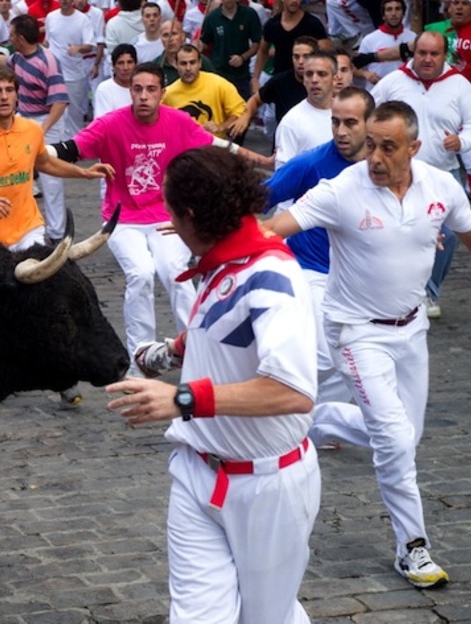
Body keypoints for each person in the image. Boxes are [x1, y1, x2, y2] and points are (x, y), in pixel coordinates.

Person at [266, 100, 471, 588]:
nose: (376, 157)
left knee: (407, 437)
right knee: (392, 440)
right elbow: (274, 228)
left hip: (411, 332)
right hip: (355, 332)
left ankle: (317, 416)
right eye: (371, 145)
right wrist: (212, 241)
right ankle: (413, 548)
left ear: (414, 147)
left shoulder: (440, 186)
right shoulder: (344, 189)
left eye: (389, 147)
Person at [106, 145, 320, 624]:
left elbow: (292, 390)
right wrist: (172, 351)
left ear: (189, 214)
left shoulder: (271, 276)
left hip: (270, 485)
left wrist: (183, 397)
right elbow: (225, 324)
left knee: (268, 619)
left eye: (169, 210)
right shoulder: (223, 263)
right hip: (197, 473)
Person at [47, 63, 272, 375]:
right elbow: (68, 149)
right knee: (140, 273)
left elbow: (221, 147)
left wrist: (262, 161)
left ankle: (199, 352)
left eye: (151, 89)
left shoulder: (178, 122)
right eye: (137, 89)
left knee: (176, 273)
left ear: (162, 93)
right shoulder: (111, 124)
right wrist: (29, 149)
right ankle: (141, 360)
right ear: (130, 92)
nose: (143, 96)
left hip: (167, 219)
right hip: (122, 220)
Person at [0, 65, 111, 409]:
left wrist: (83, 173)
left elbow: (43, 162)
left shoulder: (31, 130)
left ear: (17, 94)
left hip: (29, 229)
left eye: (9, 90)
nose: (4, 97)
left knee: (48, 303)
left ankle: (64, 379)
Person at [264, 87, 374, 451]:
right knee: (328, 353)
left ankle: (314, 422)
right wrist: (206, 217)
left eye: (351, 123)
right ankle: (293, 416)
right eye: (335, 122)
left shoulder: (384, 165)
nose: (341, 131)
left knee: (351, 355)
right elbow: (260, 197)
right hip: (312, 270)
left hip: (361, 278)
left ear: (370, 124)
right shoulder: (311, 164)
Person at [372, 30, 471, 319]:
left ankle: (429, 292)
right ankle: (395, 289)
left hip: (443, 174)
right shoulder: (394, 82)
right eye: (421, 53)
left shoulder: (459, 86)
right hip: (398, 177)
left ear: (444, 55)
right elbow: (369, 115)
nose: (426, 59)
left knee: (447, 234)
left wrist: (461, 141)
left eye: (434, 54)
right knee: (398, 233)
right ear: (413, 53)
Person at [0, 14, 69, 243]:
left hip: (46, 121)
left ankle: (57, 233)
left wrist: (43, 129)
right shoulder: (17, 58)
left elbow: (60, 101)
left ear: (22, 38)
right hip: (23, 119)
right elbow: (1, 62)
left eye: (13, 34)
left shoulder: (47, 60)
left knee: (51, 179)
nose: (10, 37)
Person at [228, 35, 317, 141]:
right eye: (296, 57)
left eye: (306, 56)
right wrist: (246, 116)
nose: (300, 61)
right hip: (284, 143)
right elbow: (256, 99)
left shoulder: (325, 83)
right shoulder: (280, 81)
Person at [161, 44, 245, 140]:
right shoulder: (168, 93)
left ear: (200, 63)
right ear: (176, 65)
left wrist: (221, 127)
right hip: (184, 150)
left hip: (215, 147)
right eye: (183, 63)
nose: (188, 68)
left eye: (192, 63)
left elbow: (241, 112)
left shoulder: (219, 84)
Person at [252, 0, 329, 96]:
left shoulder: (313, 24)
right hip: (279, 84)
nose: (294, 1)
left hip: (306, 85)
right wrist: (255, 79)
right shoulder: (272, 25)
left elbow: (326, 54)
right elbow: (263, 51)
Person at [275, 51, 335, 167]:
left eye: (322, 74)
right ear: (303, 80)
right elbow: (283, 174)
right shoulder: (291, 122)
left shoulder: (348, 115)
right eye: (309, 74)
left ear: (335, 78)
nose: (314, 80)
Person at [43, 0, 94, 136]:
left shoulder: (83, 20)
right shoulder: (51, 17)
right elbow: (48, 42)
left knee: (74, 114)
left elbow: (89, 45)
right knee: (55, 112)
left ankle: (77, 146)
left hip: (74, 75)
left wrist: (78, 48)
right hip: (53, 75)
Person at [199, 0, 261, 100]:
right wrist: (197, 45)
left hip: (241, 75)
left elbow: (257, 43)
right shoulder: (211, 17)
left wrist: (242, 57)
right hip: (218, 74)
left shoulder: (249, 14)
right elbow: (205, 42)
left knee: (241, 109)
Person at [356, 0, 416, 87]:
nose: (393, 13)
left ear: (403, 14)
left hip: (404, 90)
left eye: (397, 9)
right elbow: (354, 67)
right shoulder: (369, 40)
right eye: (389, 9)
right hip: (377, 91)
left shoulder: (413, 37)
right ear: (383, 16)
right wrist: (366, 74)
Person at [153, 18, 215, 86]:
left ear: (182, 36)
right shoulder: (156, 66)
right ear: (161, 39)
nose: (170, 39)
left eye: (174, 34)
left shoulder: (198, 59)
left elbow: (215, 82)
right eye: (165, 35)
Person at [93, 43, 136, 118]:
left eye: (129, 62)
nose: (125, 68)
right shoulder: (104, 89)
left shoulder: (143, 88)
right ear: (113, 67)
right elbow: (102, 122)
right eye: (120, 63)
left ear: (136, 65)